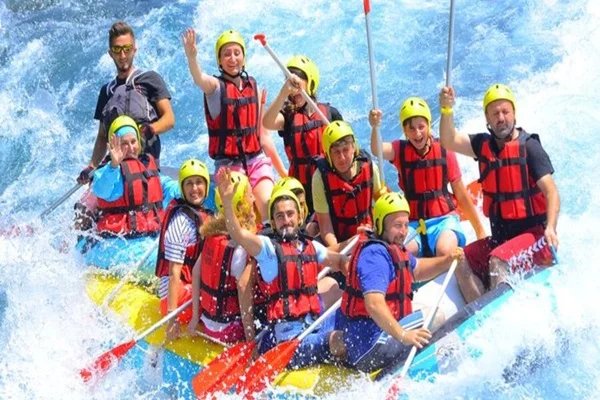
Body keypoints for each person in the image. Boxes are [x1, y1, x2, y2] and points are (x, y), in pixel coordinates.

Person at [438, 84, 560, 302]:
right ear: (487, 117)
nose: (501, 118)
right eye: (495, 113)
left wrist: (551, 227)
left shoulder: (530, 147)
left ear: (514, 113)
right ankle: (480, 311)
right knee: (460, 259)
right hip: (501, 239)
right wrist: (446, 109)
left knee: (497, 262)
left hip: (535, 238)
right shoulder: (482, 145)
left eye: (505, 112)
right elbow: (449, 140)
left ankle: (495, 309)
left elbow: (551, 193)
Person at [219, 169, 348, 368]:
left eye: (290, 214)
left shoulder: (310, 246)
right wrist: (228, 203)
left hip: (313, 325)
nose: (286, 220)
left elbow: (338, 261)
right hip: (290, 343)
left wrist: (352, 266)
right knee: (340, 339)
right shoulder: (268, 250)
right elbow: (238, 234)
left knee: (349, 312)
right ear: (273, 222)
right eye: (279, 216)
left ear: (299, 217)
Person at [331, 192, 463, 372]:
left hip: (374, 335)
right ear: (380, 225)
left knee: (421, 308)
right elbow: (374, 305)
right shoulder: (375, 256)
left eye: (406, 225)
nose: (403, 232)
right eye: (397, 225)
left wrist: (447, 260)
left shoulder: (392, 248)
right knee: (436, 316)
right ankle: (414, 365)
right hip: (370, 346)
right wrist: (404, 335)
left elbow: (418, 270)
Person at [75, 21, 175, 229]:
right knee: (82, 211)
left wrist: (150, 129)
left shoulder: (149, 79)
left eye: (127, 49)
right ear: (110, 53)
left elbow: (169, 119)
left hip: (144, 167)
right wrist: (92, 166)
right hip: (114, 169)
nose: (123, 55)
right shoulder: (107, 91)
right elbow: (102, 136)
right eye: (117, 50)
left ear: (134, 49)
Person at [368, 97, 485, 259]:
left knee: (444, 251)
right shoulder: (399, 150)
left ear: (429, 125)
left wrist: (479, 230)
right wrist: (375, 127)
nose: (417, 133)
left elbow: (460, 193)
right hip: (413, 223)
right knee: (403, 255)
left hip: (444, 220)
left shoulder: (445, 150)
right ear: (405, 130)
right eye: (411, 129)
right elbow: (377, 150)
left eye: (421, 127)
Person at [182, 28, 278, 222]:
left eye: (237, 53)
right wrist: (192, 58)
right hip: (228, 166)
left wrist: (283, 172)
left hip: (256, 160)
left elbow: (264, 136)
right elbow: (199, 78)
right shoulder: (215, 88)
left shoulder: (253, 86)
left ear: (244, 57)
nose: (232, 58)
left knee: (268, 207)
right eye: (226, 54)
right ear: (219, 61)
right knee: (243, 214)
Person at [262, 55, 344, 214]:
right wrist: (283, 92)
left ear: (310, 83)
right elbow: (267, 122)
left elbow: (348, 147)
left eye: (298, 82)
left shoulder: (329, 114)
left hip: (327, 184)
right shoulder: (287, 116)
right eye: (290, 83)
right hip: (301, 191)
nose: (294, 89)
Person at [186, 171, 258, 343]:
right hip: (230, 329)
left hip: (207, 323)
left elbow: (196, 272)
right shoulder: (241, 247)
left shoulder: (213, 236)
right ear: (241, 205)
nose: (254, 199)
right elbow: (243, 289)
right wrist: (250, 339)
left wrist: (195, 317)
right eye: (250, 195)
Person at [155, 159, 215, 340]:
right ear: (182, 187)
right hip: (176, 295)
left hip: (189, 286)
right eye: (189, 183)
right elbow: (174, 272)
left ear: (206, 186)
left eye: (199, 182)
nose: (194, 188)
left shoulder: (206, 214)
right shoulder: (180, 223)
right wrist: (172, 319)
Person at [91, 115, 179, 238]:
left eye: (133, 141)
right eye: (124, 144)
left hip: (149, 239)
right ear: (114, 146)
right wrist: (113, 166)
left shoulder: (147, 166)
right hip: (116, 242)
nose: (131, 148)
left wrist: (192, 185)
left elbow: (170, 188)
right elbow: (102, 190)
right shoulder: (107, 172)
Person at [312, 121, 384, 251]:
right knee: (312, 239)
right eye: (336, 152)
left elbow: (382, 205)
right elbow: (326, 229)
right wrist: (340, 255)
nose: (342, 158)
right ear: (328, 154)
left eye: (345, 150)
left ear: (354, 148)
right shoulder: (319, 178)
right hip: (339, 241)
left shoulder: (370, 168)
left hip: (367, 234)